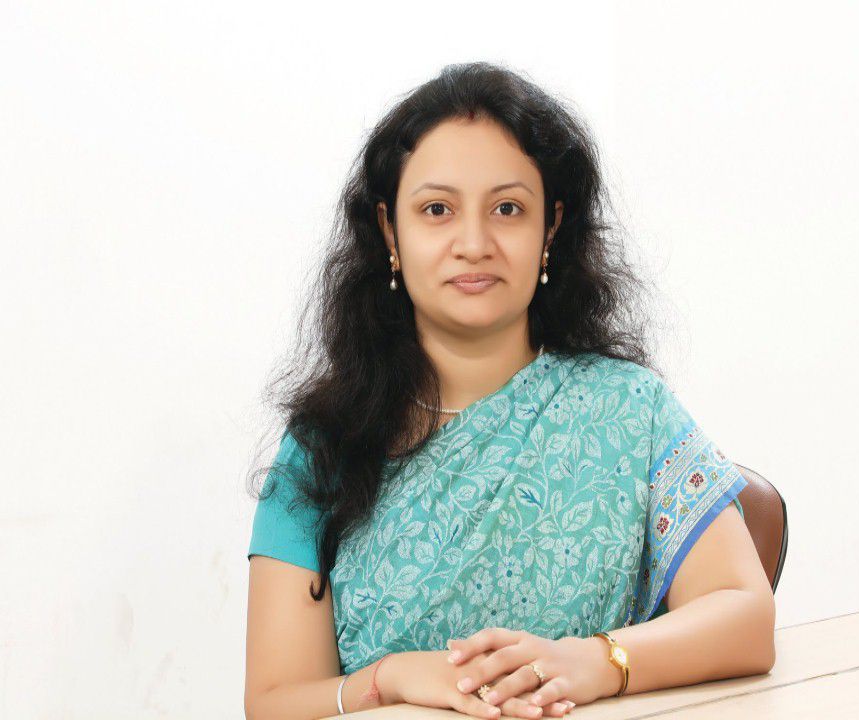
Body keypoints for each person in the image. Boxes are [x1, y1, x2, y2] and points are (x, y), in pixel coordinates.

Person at [244, 62, 775, 720]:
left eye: (507, 209)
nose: (474, 243)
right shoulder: (324, 448)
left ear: (549, 227)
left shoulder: (627, 411)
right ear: (389, 231)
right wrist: (391, 680)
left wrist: (599, 661)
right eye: (437, 210)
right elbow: (274, 702)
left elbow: (746, 615)